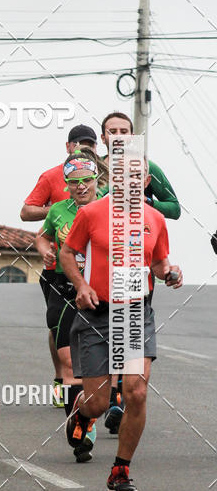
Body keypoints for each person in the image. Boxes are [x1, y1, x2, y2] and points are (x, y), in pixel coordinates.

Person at [60, 159, 183, 491]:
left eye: (136, 176)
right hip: (97, 312)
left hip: (134, 314)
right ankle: (82, 414)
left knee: (136, 392)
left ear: (145, 180)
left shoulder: (155, 219)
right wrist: (81, 287)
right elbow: (67, 253)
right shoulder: (91, 214)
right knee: (98, 403)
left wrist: (170, 272)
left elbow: (158, 262)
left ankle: (120, 470)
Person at [100, 112, 181, 432]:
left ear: (133, 136)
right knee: (99, 339)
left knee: (128, 332)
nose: (119, 136)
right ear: (103, 136)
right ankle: (96, 396)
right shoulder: (93, 165)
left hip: (136, 263)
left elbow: (174, 207)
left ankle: (118, 398)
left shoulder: (150, 169)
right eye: (112, 131)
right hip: (94, 262)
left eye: (125, 131)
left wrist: (144, 203)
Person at [20, 124, 98, 409]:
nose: (81, 185)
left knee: (94, 351)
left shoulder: (105, 199)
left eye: (87, 180)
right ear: (68, 146)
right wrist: (46, 246)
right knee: (63, 342)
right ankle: (65, 389)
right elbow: (29, 215)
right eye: (79, 144)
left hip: (97, 285)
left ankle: (104, 399)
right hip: (59, 279)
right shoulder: (52, 182)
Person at [35, 152, 106, 462]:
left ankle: (86, 415)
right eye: (74, 182)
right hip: (63, 290)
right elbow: (42, 236)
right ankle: (78, 429)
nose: (81, 187)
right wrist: (44, 252)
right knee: (67, 362)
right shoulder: (58, 211)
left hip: (101, 293)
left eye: (86, 181)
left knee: (103, 369)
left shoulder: (109, 206)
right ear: (66, 185)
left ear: (96, 181)